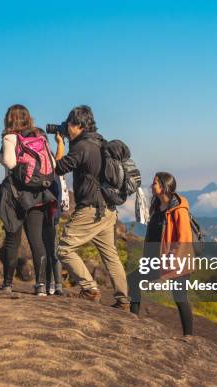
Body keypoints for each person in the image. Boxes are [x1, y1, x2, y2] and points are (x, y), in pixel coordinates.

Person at [54, 105, 130, 310]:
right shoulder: (100, 142)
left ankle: (89, 289)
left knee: (64, 249)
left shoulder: (81, 147)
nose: (67, 128)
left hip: (91, 209)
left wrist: (60, 144)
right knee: (110, 256)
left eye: (69, 124)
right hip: (108, 209)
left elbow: (59, 167)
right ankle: (123, 300)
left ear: (77, 125)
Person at [0, 104, 57, 296]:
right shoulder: (40, 137)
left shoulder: (10, 137)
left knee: (13, 240)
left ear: (9, 119)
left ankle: (7, 284)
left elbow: (10, 162)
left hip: (15, 197)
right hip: (38, 196)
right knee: (36, 241)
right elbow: (53, 164)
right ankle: (41, 285)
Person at [126, 172, 193, 335]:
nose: (151, 186)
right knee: (134, 279)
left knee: (180, 298)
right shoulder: (157, 206)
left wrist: (171, 269)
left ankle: (189, 336)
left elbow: (184, 240)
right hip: (157, 260)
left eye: (155, 183)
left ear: (164, 187)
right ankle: (132, 320)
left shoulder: (179, 209)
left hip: (178, 262)